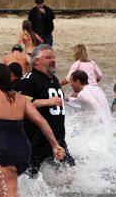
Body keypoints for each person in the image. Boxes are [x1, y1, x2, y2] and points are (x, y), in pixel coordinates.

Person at [0, 63, 64, 197]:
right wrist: (55, 145)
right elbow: (41, 121)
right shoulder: (20, 98)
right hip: (24, 155)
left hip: (2, 154)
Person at [15, 44, 75, 178]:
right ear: (36, 61)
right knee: (27, 175)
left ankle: (56, 196)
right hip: (36, 138)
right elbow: (18, 102)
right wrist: (46, 102)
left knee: (71, 171)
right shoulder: (29, 79)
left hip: (57, 138)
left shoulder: (53, 79)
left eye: (54, 57)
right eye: (48, 57)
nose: (53, 60)